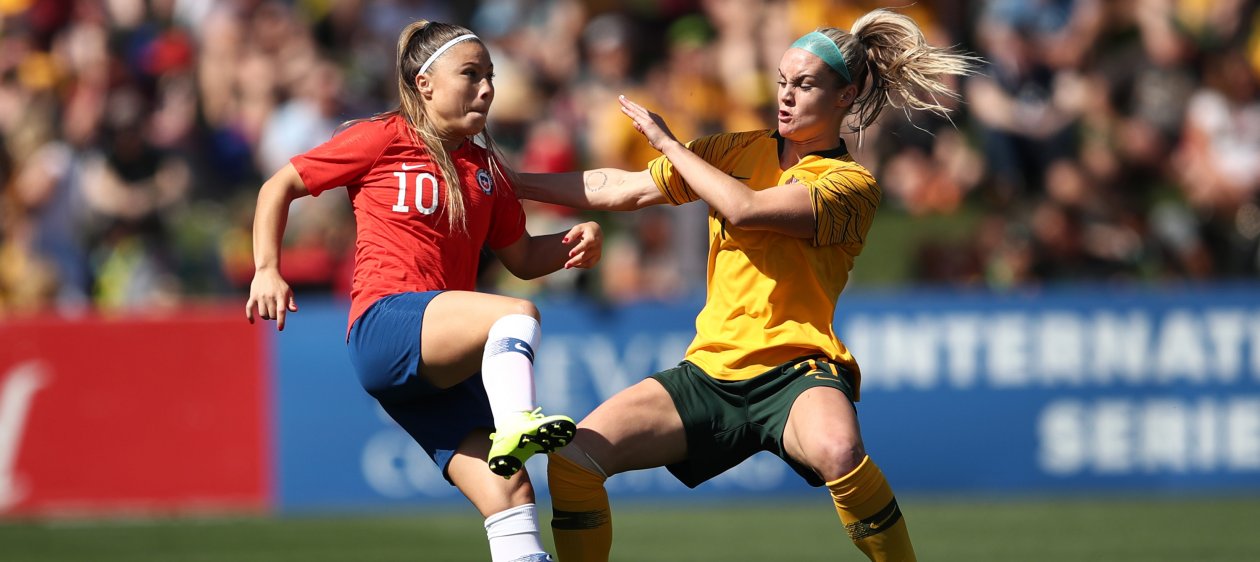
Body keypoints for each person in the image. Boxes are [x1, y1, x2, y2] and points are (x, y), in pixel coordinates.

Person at [517, 9, 976, 562]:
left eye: (805, 85)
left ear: (845, 96)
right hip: (711, 372)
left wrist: (668, 142)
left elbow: (745, 207)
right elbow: (622, 188)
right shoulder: (734, 150)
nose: (786, 96)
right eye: (783, 81)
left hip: (794, 373)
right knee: (573, 461)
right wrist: (507, 178)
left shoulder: (851, 185)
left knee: (839, 448)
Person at [246, 21, 603, 562]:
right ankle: (518, 421)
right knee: (515, 315)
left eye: (490, 77)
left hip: (441, 363)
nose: (486, 88)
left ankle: (516, 443)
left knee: (512, 496)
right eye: (470, 74)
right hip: (385, 326)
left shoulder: (488, 171)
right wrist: (267, 268)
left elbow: (524, 257)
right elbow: (281, 185)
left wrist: (572, 243)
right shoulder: (383, 137)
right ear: (424, 83)